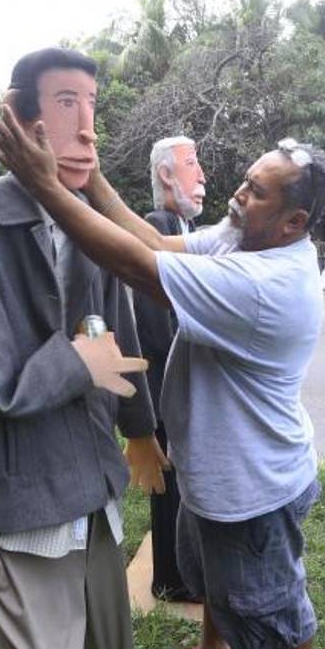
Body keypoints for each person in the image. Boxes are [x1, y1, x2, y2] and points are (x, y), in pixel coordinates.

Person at [0, 99, 325, 649]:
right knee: (213, 574)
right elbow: (151, 237)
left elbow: (136, 264)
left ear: (293, 222)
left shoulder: (266, 286)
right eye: (245, 181)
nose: (236, 195)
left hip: (255, 487)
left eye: (255, 192)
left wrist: (46, 185)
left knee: (279, 607)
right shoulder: (243, 240)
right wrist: (89, 173)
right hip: (219, 468)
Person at [0, 47, 171, 649]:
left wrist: (141, 426)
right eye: (67, 104)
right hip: (23, 498)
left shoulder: (85, 220)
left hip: (93, 478)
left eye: (93, 105)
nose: (88, 126)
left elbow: (113, 332)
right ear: (18, 120)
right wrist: (79, 356)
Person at [133, 136, 205, 602]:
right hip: (162, 386)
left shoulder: (179, 226)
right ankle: (171, 580)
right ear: (166, 174)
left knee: (177, 485)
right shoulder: (157, 226)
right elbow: (154, 326)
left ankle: (179, 572)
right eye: (192, 164)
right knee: (168, 489)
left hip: (174, 384)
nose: (202, 177)